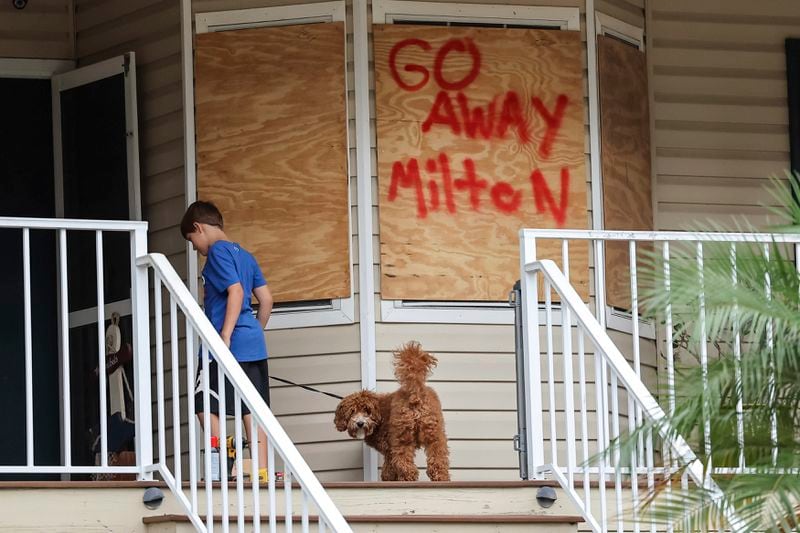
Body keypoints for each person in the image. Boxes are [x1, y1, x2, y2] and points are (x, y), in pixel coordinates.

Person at [180, 200, 274, 483]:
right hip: (253, 344)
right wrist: (252, 334)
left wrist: (225, 337)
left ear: (198, 228)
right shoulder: (245, 255)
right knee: (252, 409)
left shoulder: (218, 253)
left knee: (204, 404)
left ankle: (225, 454)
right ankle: (260, 471)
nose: (196, 248)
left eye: (192, 241)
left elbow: (234, 292)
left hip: (224, 345)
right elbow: (267, 300)